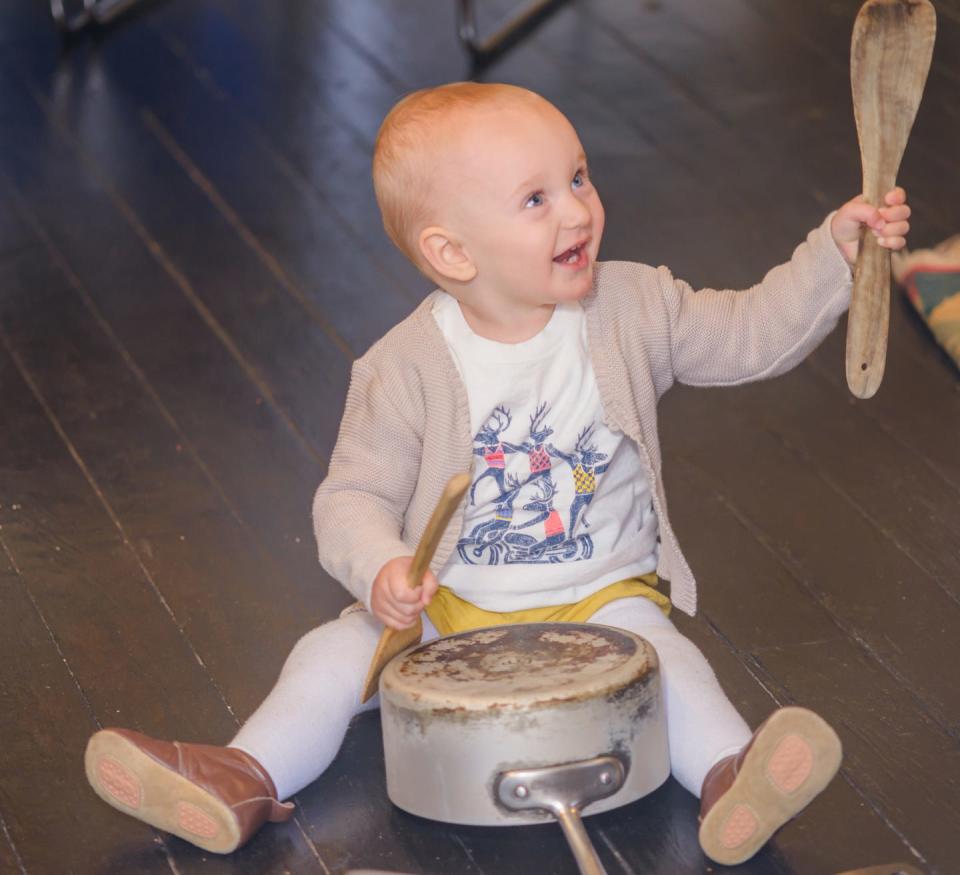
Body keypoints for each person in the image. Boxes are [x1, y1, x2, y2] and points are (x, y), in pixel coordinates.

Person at [85, 82, 912, 866]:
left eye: (579, 176)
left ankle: (736, 779)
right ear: (451, 251)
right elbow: (351, 496)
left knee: (670, 664)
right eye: (536, 198)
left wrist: (831, 258)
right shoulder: (405, 367)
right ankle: (241, 777)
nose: (579, 208)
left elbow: (750, 332)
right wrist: (380, 565)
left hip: (605, 596)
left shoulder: (633, 308)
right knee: (329, 655)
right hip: (447, 607)